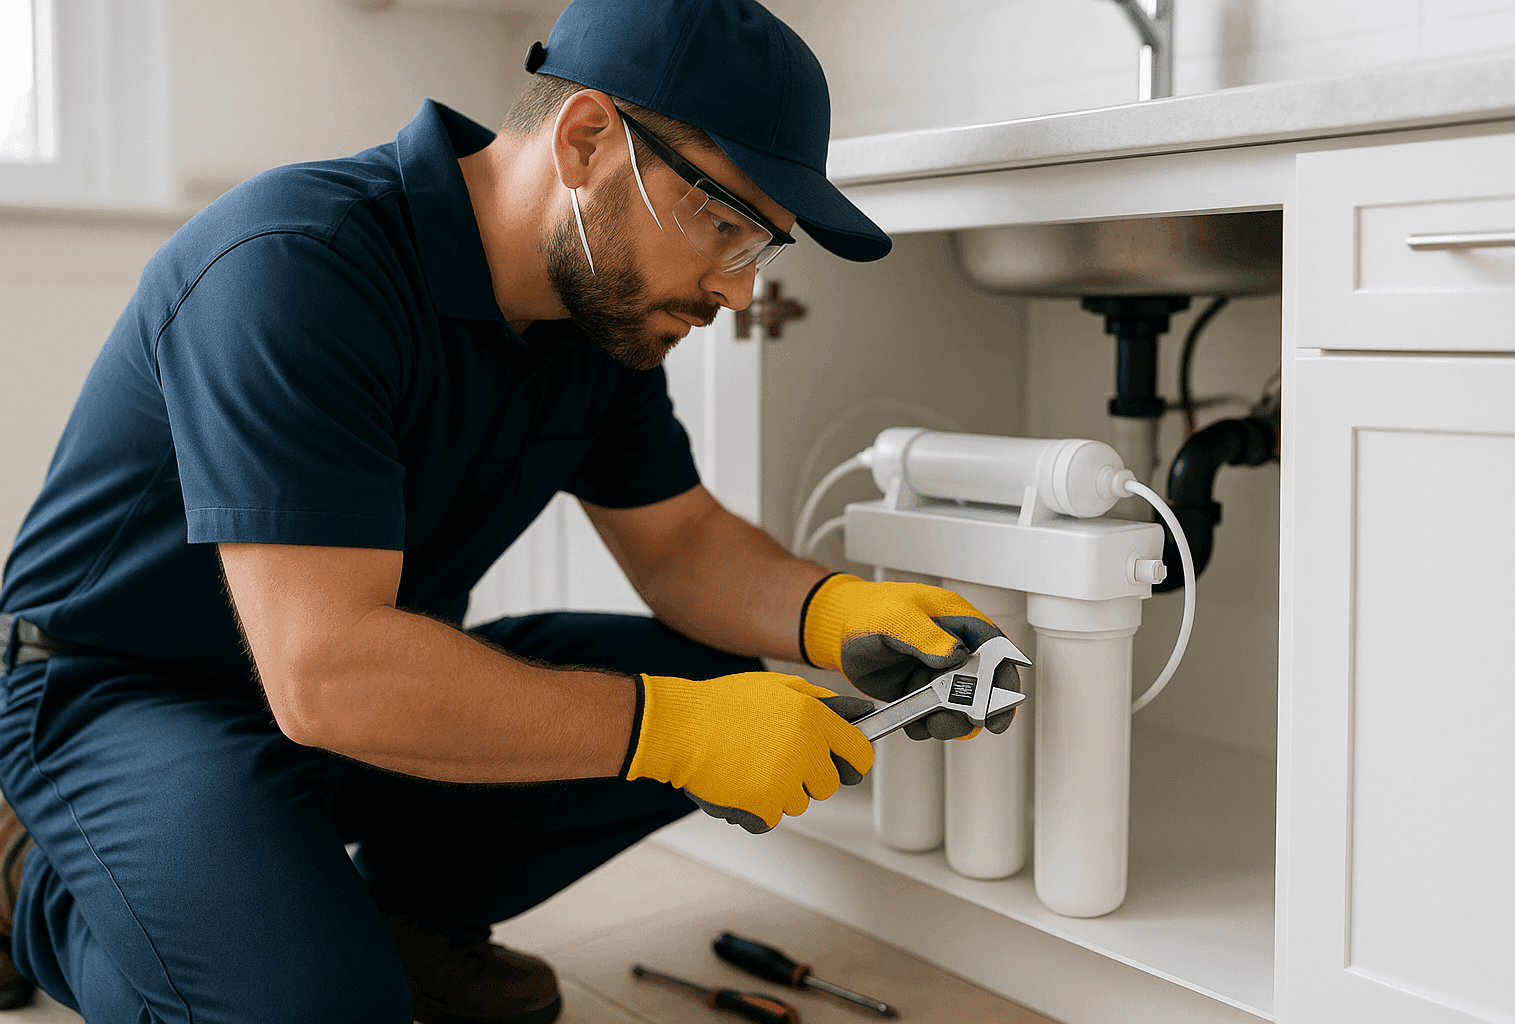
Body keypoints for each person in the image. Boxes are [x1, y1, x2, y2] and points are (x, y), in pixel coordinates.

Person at [0, 1, 1021, 1021]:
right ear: (586, 140)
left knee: (716, 678)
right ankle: (25, 879)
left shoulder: (596, 320)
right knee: (312, 1009)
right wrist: (669, 731)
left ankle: (409, 920)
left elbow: (680, 545)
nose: (738, 291)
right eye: (724, 222)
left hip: (348, 693)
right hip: (119, 694)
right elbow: (328, 673)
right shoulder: (294, 263)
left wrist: (838, 612)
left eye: (762, 248)